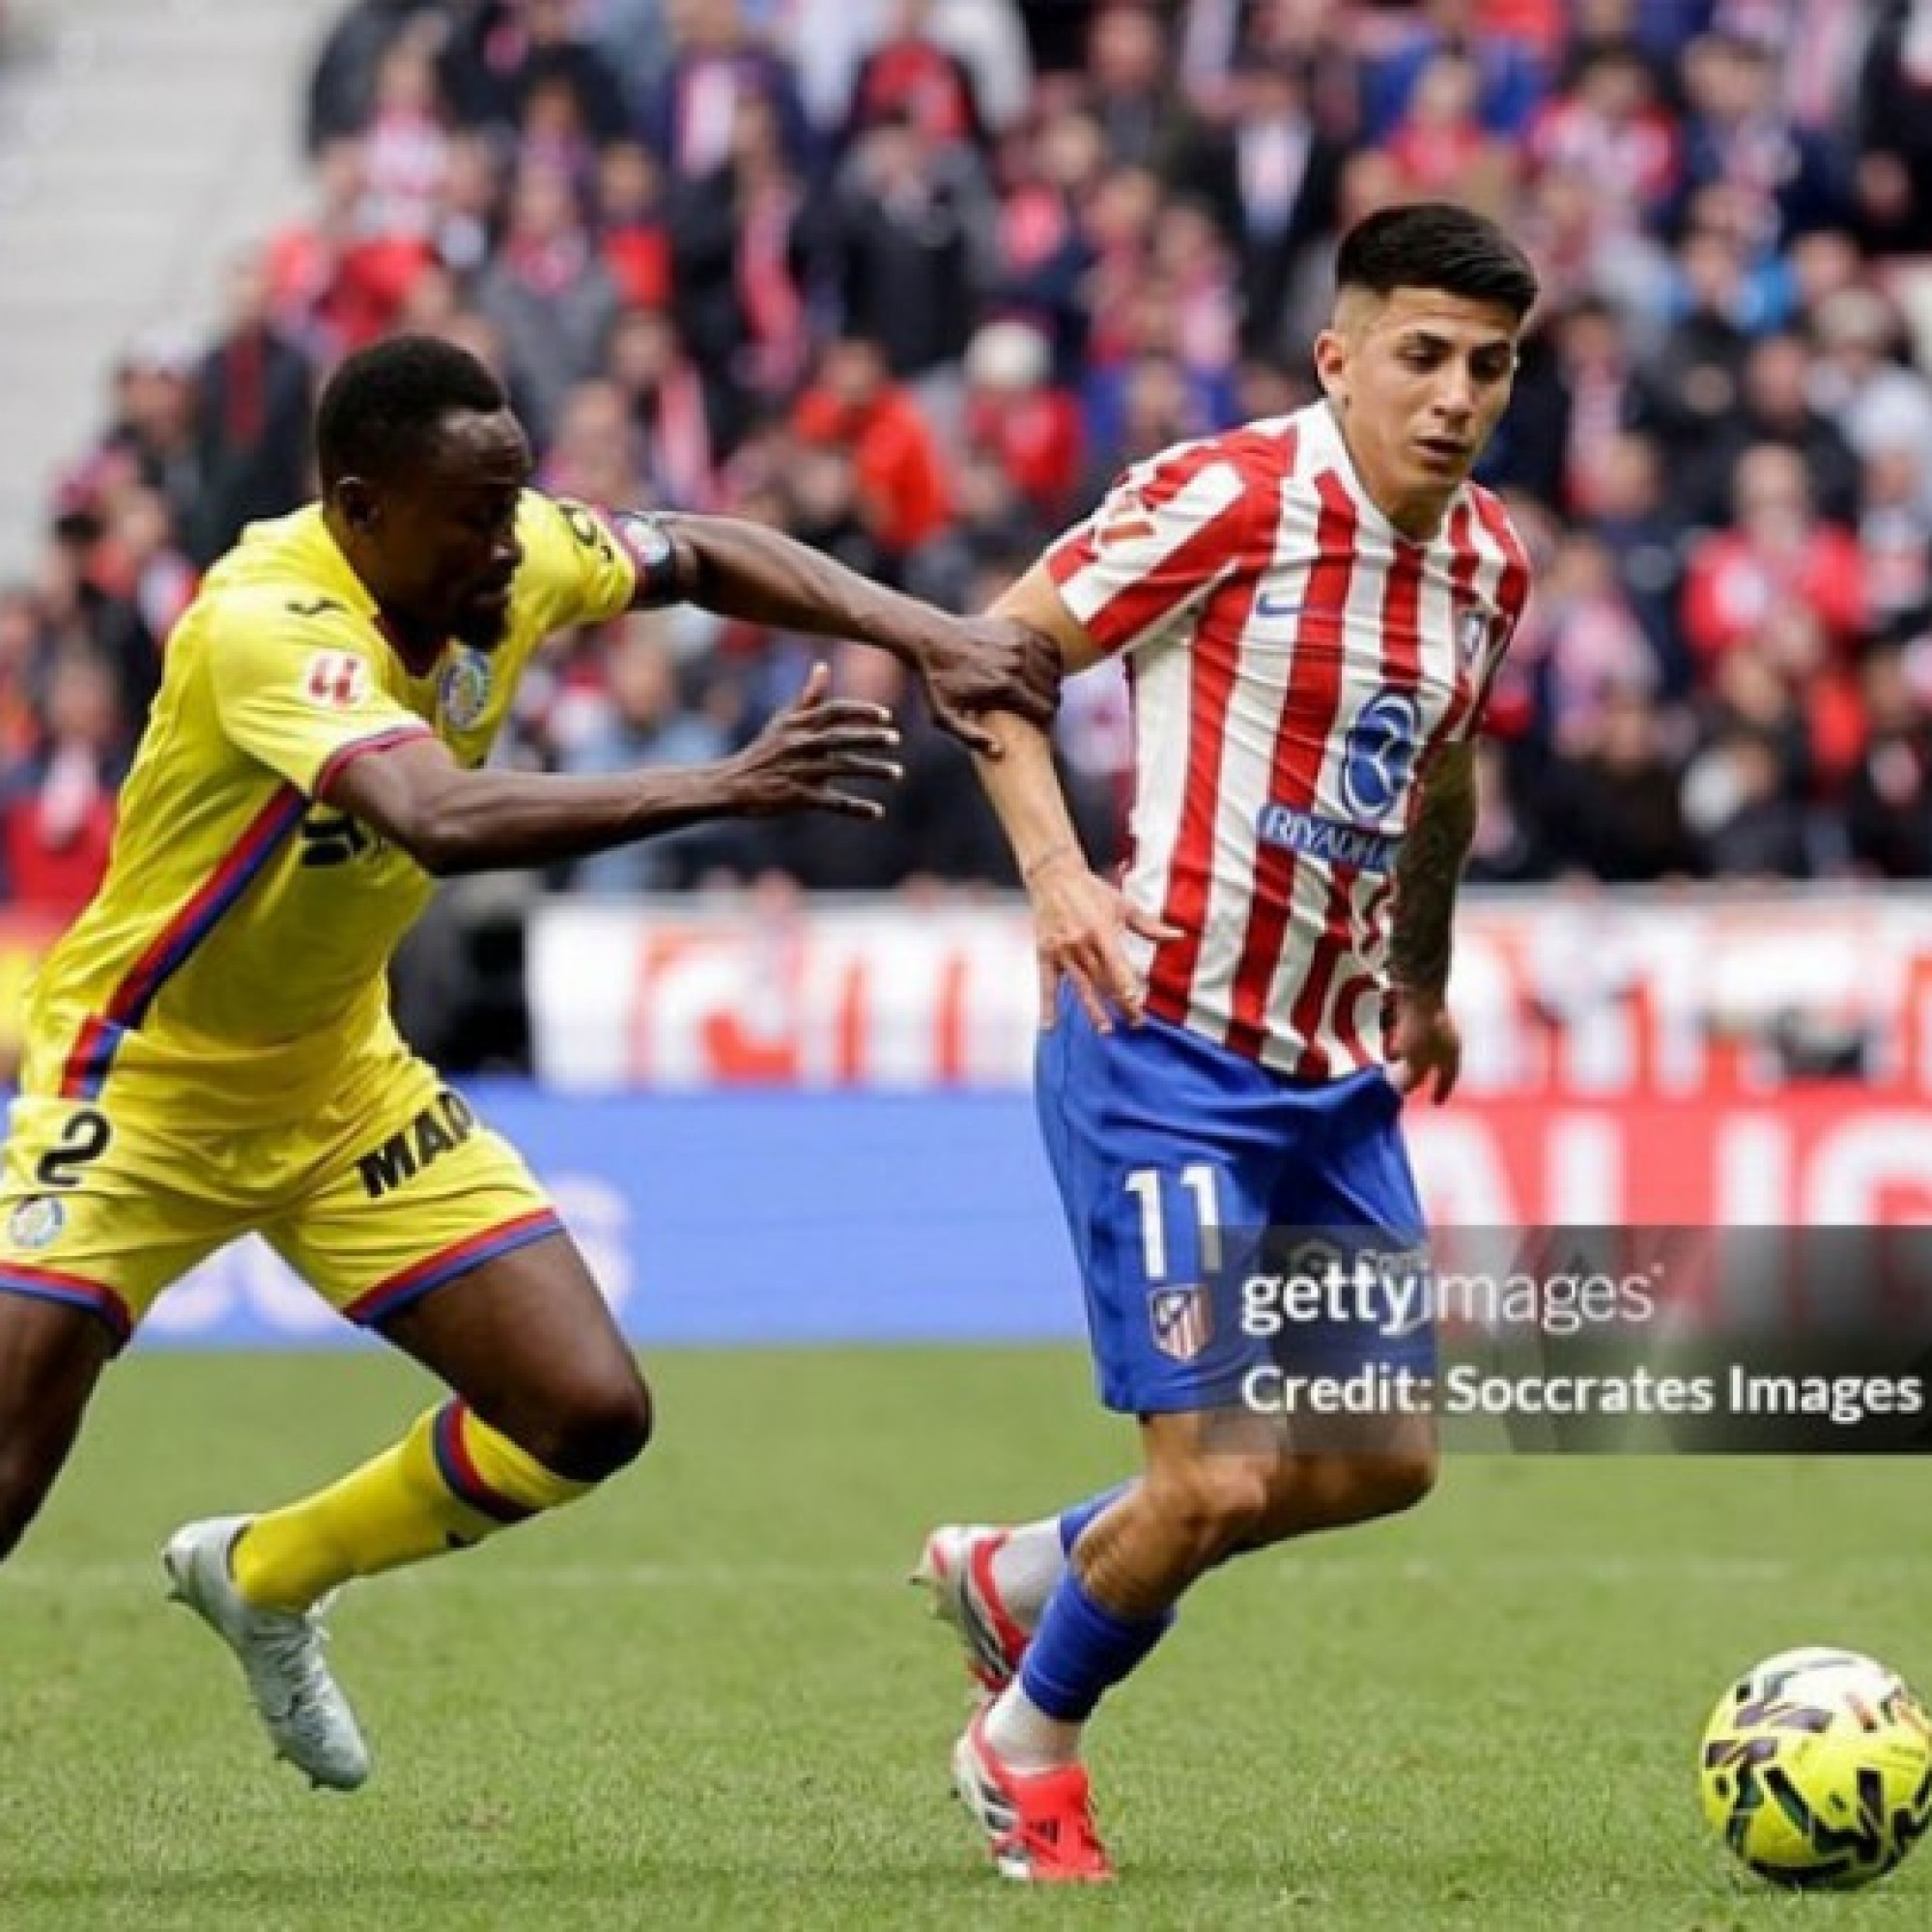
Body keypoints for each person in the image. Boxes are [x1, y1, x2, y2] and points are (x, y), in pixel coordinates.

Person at [0, 333, 1057, 1791]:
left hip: (338, 1078)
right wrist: (720, 786)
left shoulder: (509, 554)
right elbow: (433, 815)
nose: (513, 546)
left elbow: (701, 550)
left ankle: (267, 1573)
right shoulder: (264, 621)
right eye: (475, 517)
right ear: (362, 509)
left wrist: (927, 630)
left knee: (585, 1411)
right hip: (140, 1085)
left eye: (518, 505)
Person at [913, 202, 1538, 1882]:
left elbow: (1445, 771)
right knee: (1211, 1485)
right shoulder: (1233, 496)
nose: (1456, 395)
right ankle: (1021, 1744)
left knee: (1383, 1461)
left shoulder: (1489, 561)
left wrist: (1420, 972)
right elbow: (989, 665)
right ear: (1341, 357)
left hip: (1332, 1075)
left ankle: (1030, 1573)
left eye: (1490, 365)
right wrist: (1056, 879)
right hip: (1164, 1049)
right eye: (1421, 355)